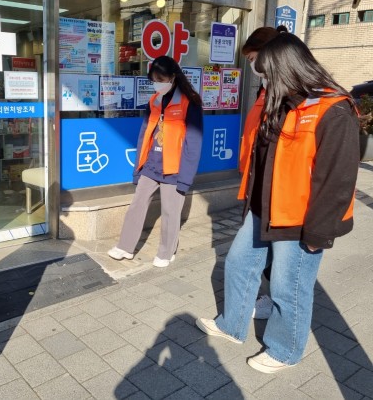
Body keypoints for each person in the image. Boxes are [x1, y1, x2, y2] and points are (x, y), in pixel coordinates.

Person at [196, 32, 360, 374]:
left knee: (289, 288)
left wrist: (317, 234)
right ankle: (232, 325)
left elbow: (337, 181)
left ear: (289, 69)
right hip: (263, 209)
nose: (265, 81)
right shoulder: (284, 101)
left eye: (269, 73)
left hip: (300, 219)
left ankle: (286, 350)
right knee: (239, 264)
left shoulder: (333, 110)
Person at [108, 55, 203, 267]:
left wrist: (185, 178)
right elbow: (144, 135)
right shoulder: (154, 101)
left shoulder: (190, 102)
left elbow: (193, 142)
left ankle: (166, 252)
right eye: (154, 79)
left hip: (174, 168)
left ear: (173, 77)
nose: (157, 83)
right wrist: (137, 168)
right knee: (137, 205)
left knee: (170, 211)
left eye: (161, 79)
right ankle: (125, 247)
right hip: (151, 164)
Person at [239, 25, 287, 320]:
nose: (249, 62)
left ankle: (276, 303)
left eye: (252, 56)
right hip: (255, 182)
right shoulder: (265, 90)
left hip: (274, 190)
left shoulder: (284, 94)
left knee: (273, 255)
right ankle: (264, 298)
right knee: (259, 251)